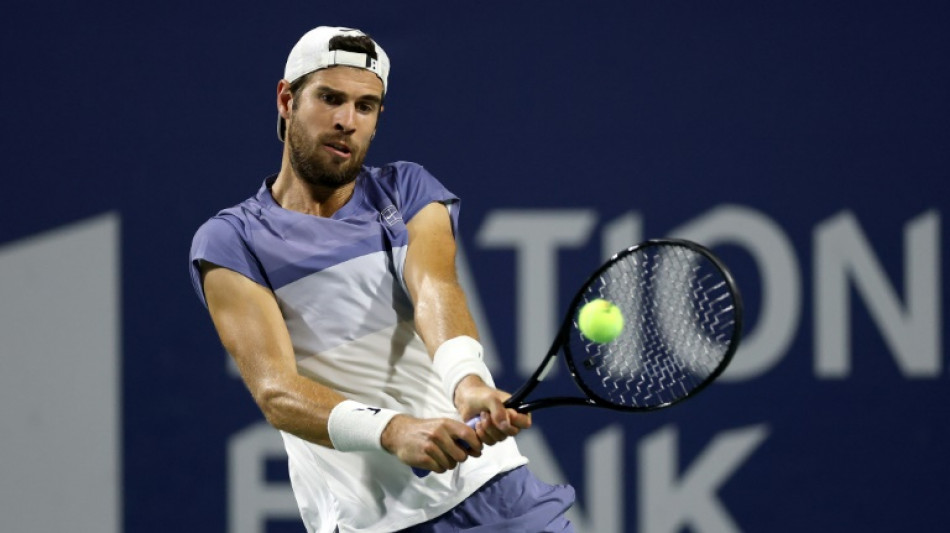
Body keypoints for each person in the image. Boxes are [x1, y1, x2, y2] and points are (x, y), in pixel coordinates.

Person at [189, 26, 575, 533]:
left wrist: (468, 381)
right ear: (286, 99)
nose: (347, 121)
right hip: (371, 521)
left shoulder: (408, 188)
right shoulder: (230, 240)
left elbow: (434, 287)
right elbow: (277, 392)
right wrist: (392, 430)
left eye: (365, 106)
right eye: (329, 98)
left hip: (497, 497)